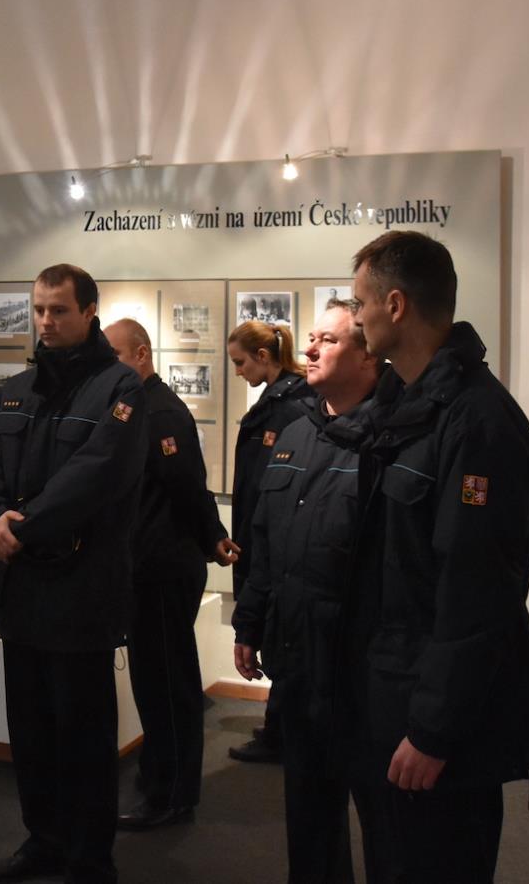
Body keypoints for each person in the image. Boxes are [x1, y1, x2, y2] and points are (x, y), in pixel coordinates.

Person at [349, 231, 529, 884]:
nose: (356, 318)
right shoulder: (403, 407)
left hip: (435, 727)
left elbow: (477, 591)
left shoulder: (478, 423)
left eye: (361, 303)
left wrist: (434, 729)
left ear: (395, 305)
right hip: (391, 697)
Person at [0, 264, 146, 884]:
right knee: (32, 733)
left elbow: (98, 475)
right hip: (21, 590)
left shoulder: (121, 388)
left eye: (59, 310)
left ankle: (90, 859)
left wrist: (22, 527)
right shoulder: (16, 389)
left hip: (80, 593)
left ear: (89, 311)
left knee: (84, 736)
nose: (46, 321)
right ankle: (43, 841)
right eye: (39, 309)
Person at [230, 301, 382, 883]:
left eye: (329, 341)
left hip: (363, 671)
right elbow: (267, 542)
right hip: (299, 660)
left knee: (386, 824)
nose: (311, 349)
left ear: (368, 356)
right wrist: (250, 623)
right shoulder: (295, 434)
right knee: (310, 818)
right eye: (312, 337)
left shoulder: (392, 438)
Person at [103, 318, 238, 832]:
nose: (108, 365)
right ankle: (159, 774)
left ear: (141, 354)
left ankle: (173, 795)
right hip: (148, 566)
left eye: (115, 354)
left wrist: (212, 536)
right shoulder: (139, 406)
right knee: (153, 682)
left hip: (163, 569)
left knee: (167, 685)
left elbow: (187, 487)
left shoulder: (160, 412)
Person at [225, 318, 313, 765]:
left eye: (241, 362)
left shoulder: (291, 408)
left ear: (263, 356)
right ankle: (279, 727)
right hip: (263, 535)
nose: (238, 371)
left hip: (275, 541)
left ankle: (282, 732)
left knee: (283, 636)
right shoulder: (281, 403)